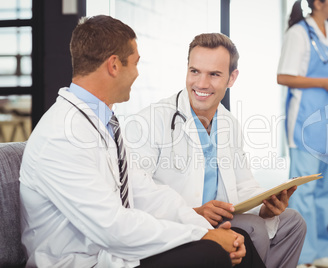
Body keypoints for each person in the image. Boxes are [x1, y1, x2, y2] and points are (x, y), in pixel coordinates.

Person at [19, 15, 265, 268]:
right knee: (213, 252)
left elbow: (148, 193)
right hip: (79, 261)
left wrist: (209, 230)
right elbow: (113, 227)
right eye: (135, 64)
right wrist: (204, 235)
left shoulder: (101, 124)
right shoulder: (62, 136)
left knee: (237, 239)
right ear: (114, 66)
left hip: (113, 251)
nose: (137, 74)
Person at [123, 32, 307, 268]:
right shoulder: (151, 121)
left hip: (220, 218)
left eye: (214, 74)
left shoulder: (229, 123)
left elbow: (243, 184)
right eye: (195, 71)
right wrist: (193, 212)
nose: (201, 83)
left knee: (293, 222)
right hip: (175, 224)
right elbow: (134, 195)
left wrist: (266, 206)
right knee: (255, 230)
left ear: (232, 78)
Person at [276, 0, 328, 267]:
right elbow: (284, 76)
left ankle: (320, 250)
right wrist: (323, 82)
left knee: (327, 190)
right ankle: (300, 254)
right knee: (304, 191)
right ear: (319, 2)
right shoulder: (299, 33)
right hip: (306, 122)